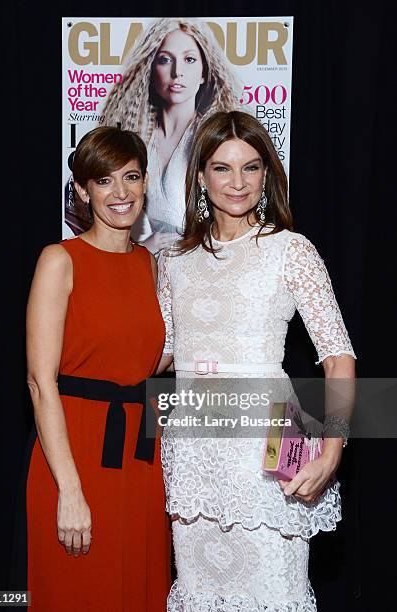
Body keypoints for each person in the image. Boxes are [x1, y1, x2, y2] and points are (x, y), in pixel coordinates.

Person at [157, 111, 356, 610]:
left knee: (274, 588)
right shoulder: (173, 261)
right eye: (222, 168)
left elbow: (338, 356)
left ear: (267, 173)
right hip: (195, 449)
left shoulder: (291, 251)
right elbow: (158, 354)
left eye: (250, 167)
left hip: (270, 442)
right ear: (201, 176)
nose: (237, 182)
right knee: (201, 590)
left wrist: (332, 451)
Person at [24, 126, 171, 610]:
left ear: (146, 182)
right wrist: (69, 490)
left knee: (137, 588)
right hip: (74, 452)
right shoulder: (59, 261)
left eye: (130, 177)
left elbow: (146, 362)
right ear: (83, 191)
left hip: (143, 459)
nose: (120, 192)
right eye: (104, 181)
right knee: (77, 590)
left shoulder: (150, 264)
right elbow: (41, 382)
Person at [100, 18, 240, 254]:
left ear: (205, 71)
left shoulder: (213, 138)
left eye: (189, 59)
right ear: (151, 69)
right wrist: (143, 248)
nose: (177, 73)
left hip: (206, 259)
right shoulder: (139, 137)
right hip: (155, 266)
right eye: (165, 60)